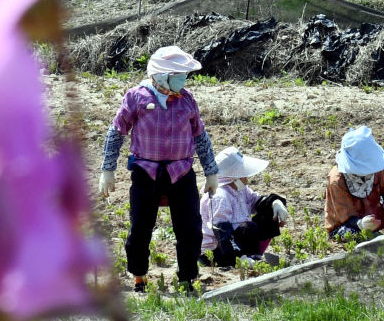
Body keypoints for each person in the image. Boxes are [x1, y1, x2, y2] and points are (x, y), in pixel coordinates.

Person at [98, 46, 219, 292]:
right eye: (179, 74)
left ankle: (187, 279)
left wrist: (211, 171)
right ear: (163, 75)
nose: (184, 79)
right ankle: (139, 277)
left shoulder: (186, 99)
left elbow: (200, 136)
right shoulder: (136, 97)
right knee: (140, 228)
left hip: (181, 172)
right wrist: (107, 170)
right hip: (146, 173)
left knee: (190, 229)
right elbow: (116, 132)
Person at [200, 146, 288, 267]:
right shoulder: (219, 196)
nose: (246, 179)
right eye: (243, 175)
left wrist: (275, 202)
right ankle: (244, 258)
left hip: (236, 240)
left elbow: (256, 201)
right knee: (248, 228)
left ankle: (253, 255)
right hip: (218, 251)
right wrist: (239, 257)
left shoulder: (240, 189)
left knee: (268, 214)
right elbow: (222, 232)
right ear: (233, 177)